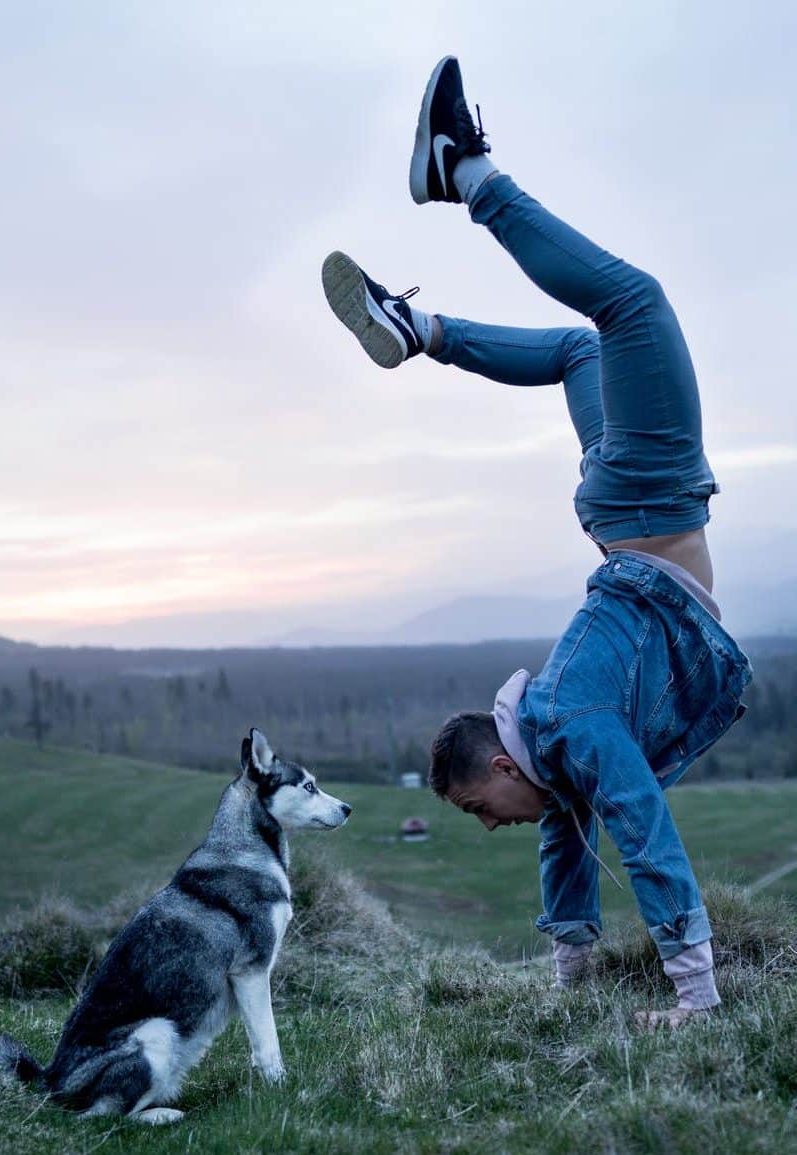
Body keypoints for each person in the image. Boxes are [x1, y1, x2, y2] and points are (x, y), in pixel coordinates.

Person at [321, 56, 752, 1029]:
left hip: (644, 505)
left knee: (630, 305)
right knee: (584, 349)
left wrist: (695, 999)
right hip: (619, 517)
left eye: (479, 810)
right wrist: (570, 976)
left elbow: (639, 824)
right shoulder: (553, 757)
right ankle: (417, 325)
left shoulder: (567, 728)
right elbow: (576, 835)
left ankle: (462, 170)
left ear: (505, 768)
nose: (486, 827)